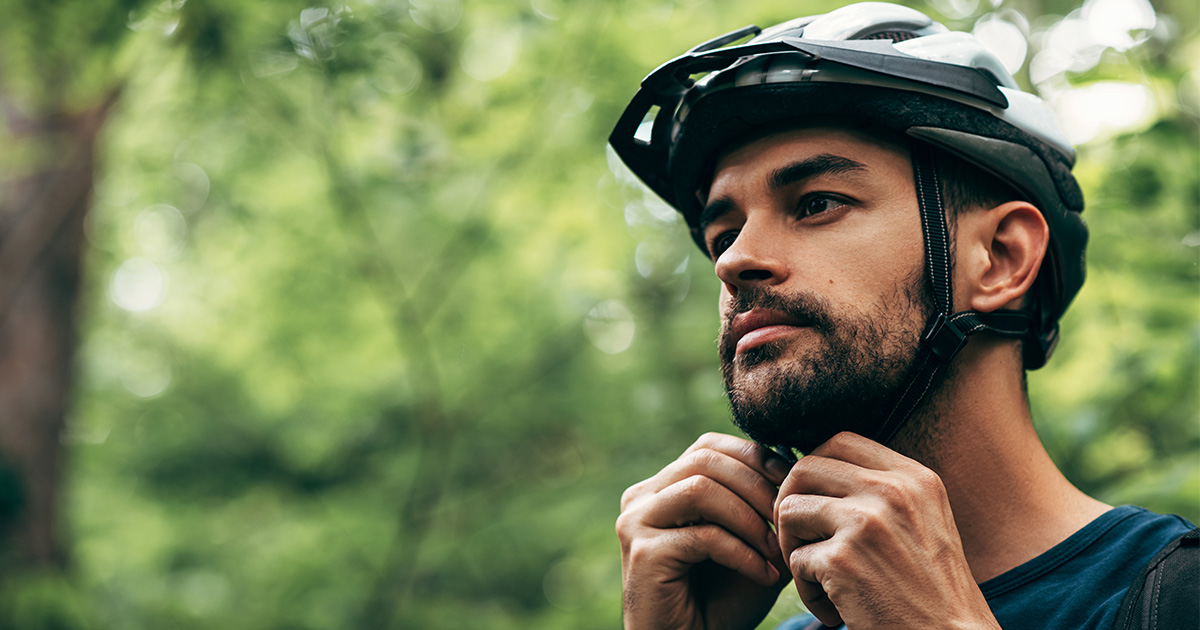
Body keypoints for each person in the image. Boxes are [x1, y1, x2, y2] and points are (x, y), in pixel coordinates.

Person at [606, 3, 1195, 629]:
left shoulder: (1178, 598)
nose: (735, 262)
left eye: (816, 204)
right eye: (723, 235)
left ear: (999, 258)